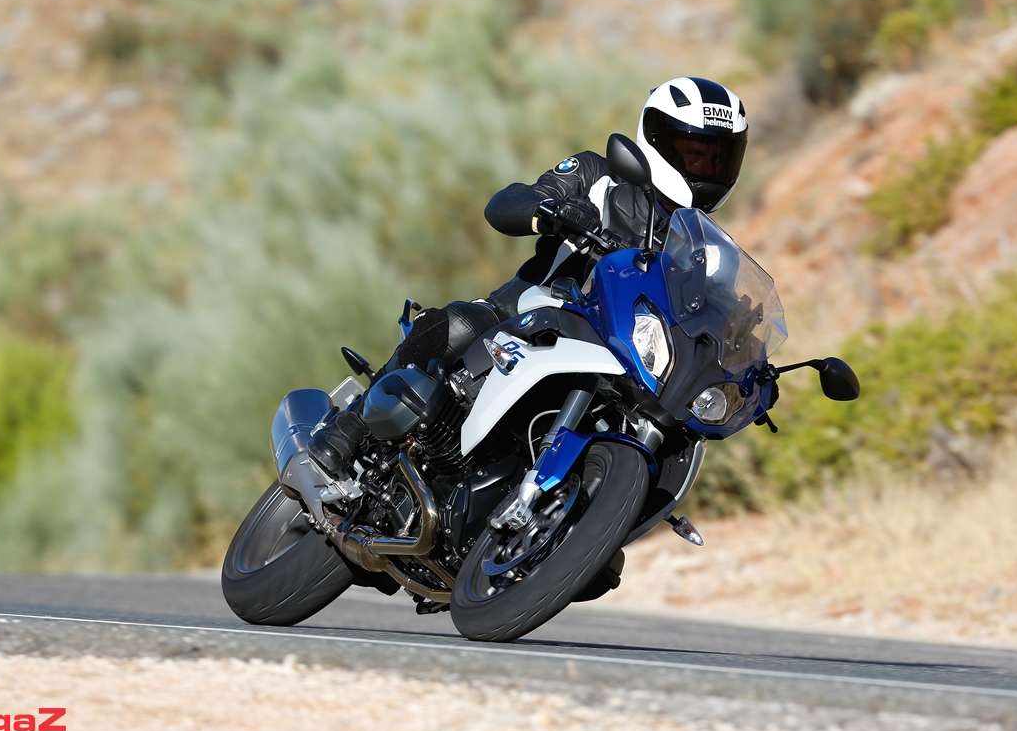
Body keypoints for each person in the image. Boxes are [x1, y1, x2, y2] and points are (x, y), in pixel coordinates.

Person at [309, 76, 749, 478]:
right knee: (457, 325)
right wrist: (550, 209)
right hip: (527, 314)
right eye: (695, 153)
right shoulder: (599, 177)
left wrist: (742, 344)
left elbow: (708, 328)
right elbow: (505, 204)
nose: (705, 169)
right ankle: (350, 426)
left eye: (717, 159)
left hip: (616, 362)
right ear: (656, 140)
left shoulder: (705, 253)